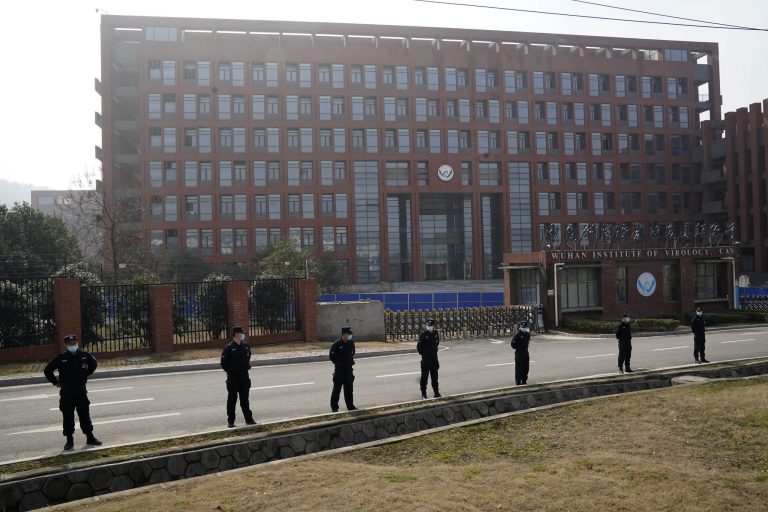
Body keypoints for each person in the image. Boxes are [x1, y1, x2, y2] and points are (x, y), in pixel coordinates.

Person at [43, 334, 102, 450]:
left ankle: (90, 437)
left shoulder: (84, 356)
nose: (73, 345)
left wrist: (85, 375)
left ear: (77, 343)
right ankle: (69, 441)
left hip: (81, 391)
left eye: (74, 343)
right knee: (68, 417)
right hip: (67, 392)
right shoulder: (61, 358)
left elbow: (93, 365)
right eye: (70, 343)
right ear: (66, 345)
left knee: (85, 415)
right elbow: (47, 370)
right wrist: (55, 382)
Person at [220, 326, 255, 428]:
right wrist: (231, 371)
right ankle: (231, 421)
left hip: (244, 376)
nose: (243, 335)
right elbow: (223, 363)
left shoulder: (246, 347)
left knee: (245, 400)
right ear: (236, 334)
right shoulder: (228, 348)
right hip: (233, 378)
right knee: (232, 400)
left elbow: (247, 358)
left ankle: (249, 419)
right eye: (241, 333)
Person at [329, 325, 357, 412]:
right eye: (349, 334)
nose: (350, 336)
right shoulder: (336, 344)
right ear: (344, 334)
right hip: (339, 371)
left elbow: (352, 353)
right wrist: (339, 364)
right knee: (336, 391)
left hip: (349, 370)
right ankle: (334, 408)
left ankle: (350, 406)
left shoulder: (351, 343)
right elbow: (332, 357)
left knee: (349, 390)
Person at [417, 318, 441, 399]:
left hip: (434, 359)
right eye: (428, 325)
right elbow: (419, 347)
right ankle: (424, 394)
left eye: (431, 325)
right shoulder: (423, 334)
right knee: (424, 378)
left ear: (433, 326)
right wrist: (424, 354)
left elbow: (437, 343)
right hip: (426, 360)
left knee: (435, 377)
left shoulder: (435, 333)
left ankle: (436, 392)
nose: (429, 327)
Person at [510, 320, 531, 385]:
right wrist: (518, 345)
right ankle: (518, 382)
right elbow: (513, 344)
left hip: (525, 353)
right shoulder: (517, 335)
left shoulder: (527, 334)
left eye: (524, 327)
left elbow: (528, 342)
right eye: (522, 327)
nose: (524, 328)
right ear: (520, 327)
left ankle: (524, 381)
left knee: (526, 368)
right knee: (519, 369)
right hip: (519, 354)